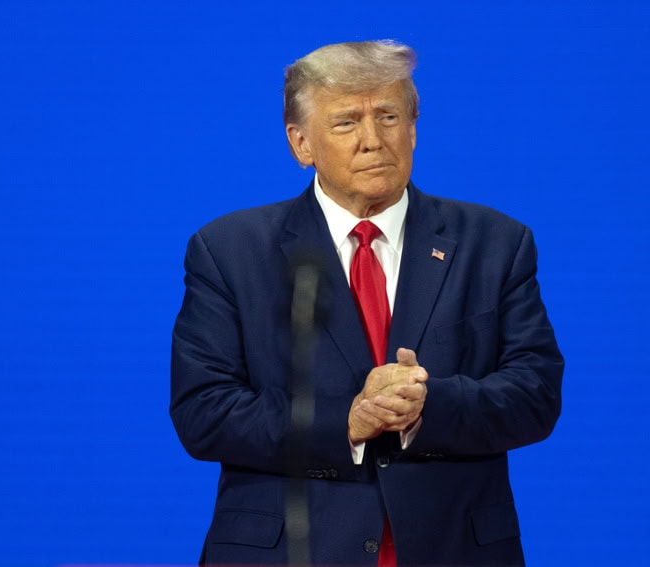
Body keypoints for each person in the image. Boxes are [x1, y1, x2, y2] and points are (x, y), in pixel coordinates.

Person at [170, 39, 564, 566]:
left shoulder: (495, 243)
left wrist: (431, 406)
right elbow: (205, 411)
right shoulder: (228, 251)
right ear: (300, 143)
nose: (373, 141)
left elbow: (535, 396)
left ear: (414, 129)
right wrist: (348, 421)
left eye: (388, 116)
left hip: (453, 548)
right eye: (347, 122)